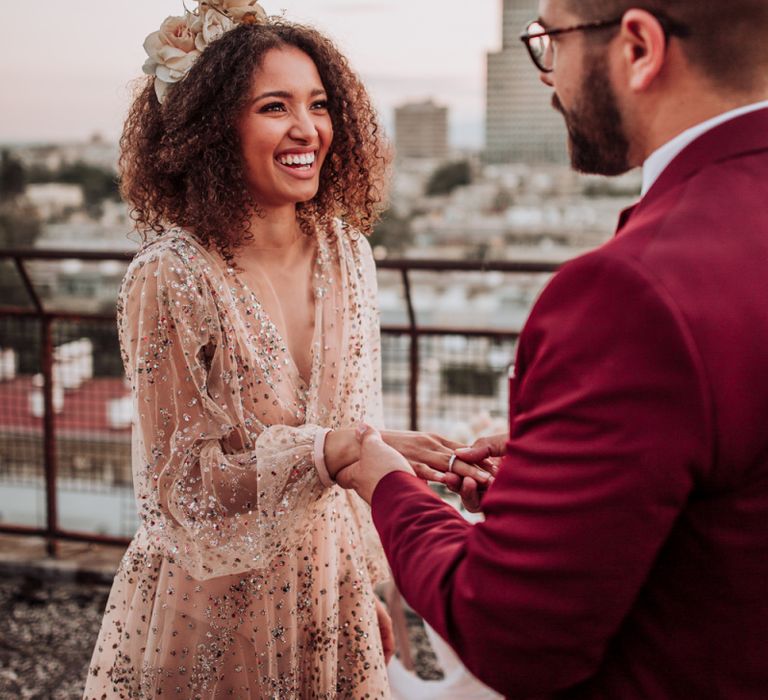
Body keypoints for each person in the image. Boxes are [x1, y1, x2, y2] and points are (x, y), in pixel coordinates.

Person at [335, 0, 768, 697]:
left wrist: (385, 483)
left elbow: (510, 633)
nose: (547, 76)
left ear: (638, 48)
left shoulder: (633, 291)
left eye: (550, 41)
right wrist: (561, 477)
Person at [84, 2, 491, 698]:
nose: (307, 129)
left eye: (320, 104)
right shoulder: (171, 276)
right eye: (275, 106)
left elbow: (330, 436)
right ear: (211, 128)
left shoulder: (348, 253)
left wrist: (375, 575)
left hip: (332, 589)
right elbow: (182, 491)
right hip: (209, 612)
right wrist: (334, 450)